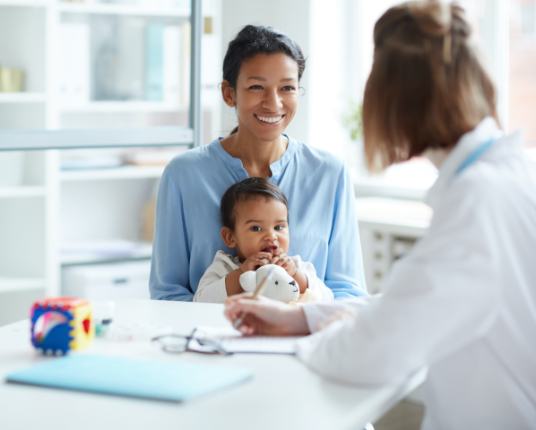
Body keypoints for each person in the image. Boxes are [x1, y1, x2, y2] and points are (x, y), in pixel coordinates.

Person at [224, 2, 536, 428]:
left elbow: (376, 351)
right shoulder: (503, 178)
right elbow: (409, 305)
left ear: (397, 99)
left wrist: (306, 341)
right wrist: (303, 318)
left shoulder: (479, 202)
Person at [150, 25, 366, 301]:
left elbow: (349, 293)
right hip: (209, 340)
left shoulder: (330, 174)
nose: (273, 103)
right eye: (256, 87)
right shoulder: (183, 174)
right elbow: (167, 294)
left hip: (304, 340)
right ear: (229, 94)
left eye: (287, 87)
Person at [194, 177, 334, 303]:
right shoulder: (224, 266)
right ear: (230, 237)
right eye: (256, 228)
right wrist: (240, 274)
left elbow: (327, 298)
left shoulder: (297, 265)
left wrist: (296, 276)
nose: (272, 236)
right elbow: (200, 301)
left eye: (279, 227)